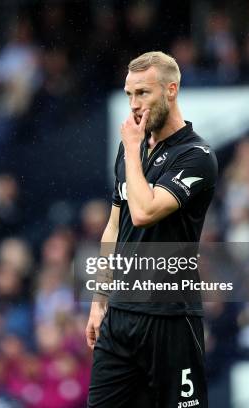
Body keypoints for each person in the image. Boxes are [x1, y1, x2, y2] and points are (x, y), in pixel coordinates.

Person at [85, 51, 218, 407]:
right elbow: (114, 228)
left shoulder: (197, 156)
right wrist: (99, 302)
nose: (134, 104)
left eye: (143, 93)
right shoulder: (129, 150)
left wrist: (130, 148)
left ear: (171, 90)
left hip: (171, 319)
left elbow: (144, 212)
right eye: (129, 94)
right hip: (121, 316)